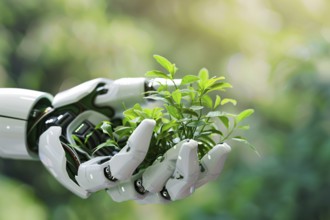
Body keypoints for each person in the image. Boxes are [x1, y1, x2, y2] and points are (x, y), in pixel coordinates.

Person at [0, 77, 231, 204]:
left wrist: (149, 88)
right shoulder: (51, 142)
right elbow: (84, 175)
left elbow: (110, 91)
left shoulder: (69, 109)